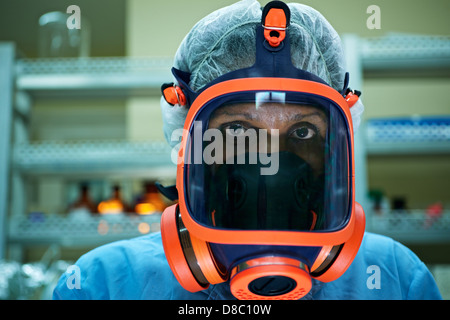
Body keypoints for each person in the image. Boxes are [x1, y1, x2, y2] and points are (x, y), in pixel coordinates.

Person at [53, 0, 442, 300]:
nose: (271, 162)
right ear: (190, 146)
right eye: (238, 130)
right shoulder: (104, 283)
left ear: (335, 149)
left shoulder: (396, 278)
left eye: (303, 132)